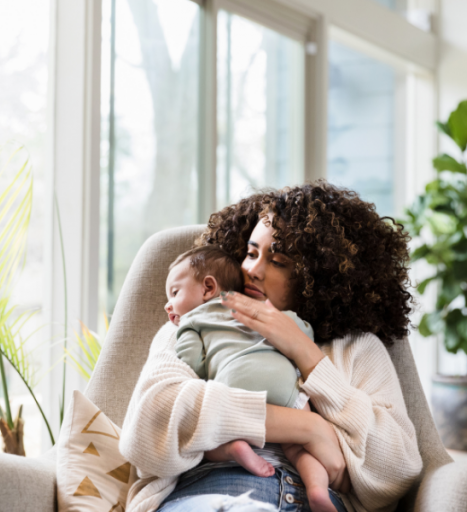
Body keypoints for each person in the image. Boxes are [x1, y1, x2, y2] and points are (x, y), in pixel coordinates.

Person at [119, 181, 423, 512]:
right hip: (207, 493)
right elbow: (146, 428)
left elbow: (397, 470)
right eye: (250, 253)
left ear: (318, 277)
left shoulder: (357, 348)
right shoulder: (191, 324)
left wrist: (305, 354)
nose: (252, 270)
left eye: (277, 261)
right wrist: (311, 429)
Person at [164, 245, 336, 511]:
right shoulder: (273, 317)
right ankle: (317, 492)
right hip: (285, 386)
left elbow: (193, 366)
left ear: (208, 287)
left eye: (174, 293)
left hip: (233, 390)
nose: (168, 304)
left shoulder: (191, 322)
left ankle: (235, 448)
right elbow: (302, 330)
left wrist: (187, 336)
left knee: (211, 439)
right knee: (300, 450)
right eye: (251, 254)